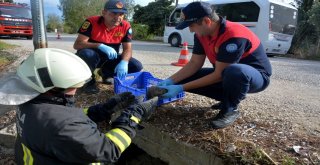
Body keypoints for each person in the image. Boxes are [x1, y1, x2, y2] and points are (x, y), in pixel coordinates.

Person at [0, 48, 158, 164]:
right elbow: (109, 150)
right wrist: (133, 116)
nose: (76, 90)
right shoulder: (62, 125)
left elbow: (66, 117)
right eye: (75, 85)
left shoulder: (29, 101)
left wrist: (102, 110)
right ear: (56, 87)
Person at [158, 2, 272, 129]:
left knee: (234, 71)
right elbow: (195, 63)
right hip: (225, 74)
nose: (190, 30)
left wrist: (181, 88)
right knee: (184, 78)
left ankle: (230, 109)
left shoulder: (233, 35)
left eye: (191, 25)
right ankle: (226, 99)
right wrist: (170, 81)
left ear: (207, 21)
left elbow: (218, 75)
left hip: (255, 77)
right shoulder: (201, 34)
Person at [73, 0, 143, 94]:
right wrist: (99, 45)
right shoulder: (91, 22)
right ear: (104, 13)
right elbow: (77, 45)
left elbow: (128, 49)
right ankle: (88, 81)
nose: (118, 17)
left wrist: (124, 62)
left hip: (110, 59)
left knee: (136, 65)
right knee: (87, 54)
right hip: (93, 58)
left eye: (121, 14)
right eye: (113, 13)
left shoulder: (126, 26)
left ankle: (106, 74)